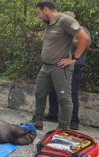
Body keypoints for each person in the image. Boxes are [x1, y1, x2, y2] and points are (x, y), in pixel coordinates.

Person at [27, 0, 89, 130]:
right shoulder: (49, 23)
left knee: (64, 98)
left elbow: (83, 38)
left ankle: (63, 128)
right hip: (46, 66)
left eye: (38, 13)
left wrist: (74, 58)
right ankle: (37, 120)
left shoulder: (65, 20)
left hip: (60, 67)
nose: (38, 16)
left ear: (45, 10)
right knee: (40, 93)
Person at [44, 11, 91, 130]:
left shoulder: (82, 30)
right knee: (53, 91)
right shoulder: (56, 29)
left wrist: (69, 39)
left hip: (73, 66)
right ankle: (52, 114)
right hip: (56, 65)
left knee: (71, 92)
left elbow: (86, 45)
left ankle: (74, 120)